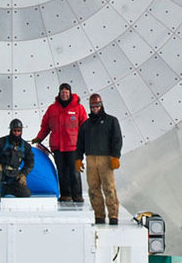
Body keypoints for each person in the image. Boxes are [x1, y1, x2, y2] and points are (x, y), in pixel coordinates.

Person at [32, 82, 87, 202]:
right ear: (59, 93)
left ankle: (77, 195)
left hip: (73, 147)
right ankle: (65, 195)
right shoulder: (52, 109)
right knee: (62, 171)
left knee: (74, 171)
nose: (64, 95)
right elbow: (45, 127)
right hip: (58, 147)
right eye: (62, 92)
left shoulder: (78, 108)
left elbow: (84, 126)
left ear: (70, 93)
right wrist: (39, 139)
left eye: (66, 92)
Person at [75, 92, 123, 225]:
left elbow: (117, 140)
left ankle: (113, 215)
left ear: (101, 105)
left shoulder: (111, 121)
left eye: (97, 105)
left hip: (106, 159)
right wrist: (78, 158)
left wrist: (115, 156)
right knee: (93, 188)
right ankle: (99, 215)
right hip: (91, 159)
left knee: (109, 187)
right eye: (92, 106)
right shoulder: (86, 125)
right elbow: (80, 143)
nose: (95, 108)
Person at [0, 118, 35, 211]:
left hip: (15, 173)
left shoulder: (25, 146)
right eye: (14, 131)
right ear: (11, 130)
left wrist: (23, 174)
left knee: (25, 194)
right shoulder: (1, 142)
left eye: (19, 131)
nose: (16, 133)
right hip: (1, 171)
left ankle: (7, 189)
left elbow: (30, 162)